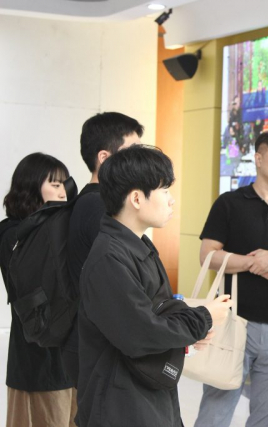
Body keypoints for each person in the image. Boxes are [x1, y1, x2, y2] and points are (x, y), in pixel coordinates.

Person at [75, 145, 232, 427]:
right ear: (137, 198)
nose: (172, 200)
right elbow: (141, 333)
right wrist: (204, 318)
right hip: (119, 405)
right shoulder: (109, 258)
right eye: (164, 190)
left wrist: (188, 336)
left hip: (145, 393)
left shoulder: (138, 245)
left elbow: (160, 310)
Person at [195, 130, 268, 427]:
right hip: (233, 320)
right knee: (216, 409)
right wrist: (254, 263)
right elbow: (207, 256)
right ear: (258, 158)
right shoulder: (229, 203)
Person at [63, 111, 143, 388]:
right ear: (104, 158)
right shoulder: (99, 206)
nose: (139, 160)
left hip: (95, 344)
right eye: (132, 151)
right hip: (100, 349)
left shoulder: (91, 201)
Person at [0, 153, 75, 427]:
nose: (62, 191)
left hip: (72, 359)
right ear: (31, 186)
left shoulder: (64, 228)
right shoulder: (11, 233)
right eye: (54, 184)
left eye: (65, 184)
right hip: (36, 363)